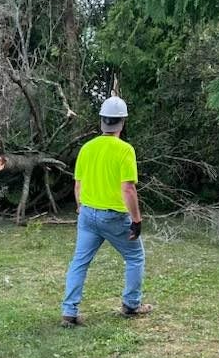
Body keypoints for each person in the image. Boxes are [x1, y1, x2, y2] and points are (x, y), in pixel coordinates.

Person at [61, 96, 152, 326]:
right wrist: (137, 220)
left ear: (102, 121)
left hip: (88, 214)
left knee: (79, 262)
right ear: (122, 123)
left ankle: (69, 312)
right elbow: (128, 189)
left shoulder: (87, 148)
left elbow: (78, 185)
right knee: (135, 257)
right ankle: (131, 305)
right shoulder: (125, 150)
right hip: (113, 216)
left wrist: (82, 208)